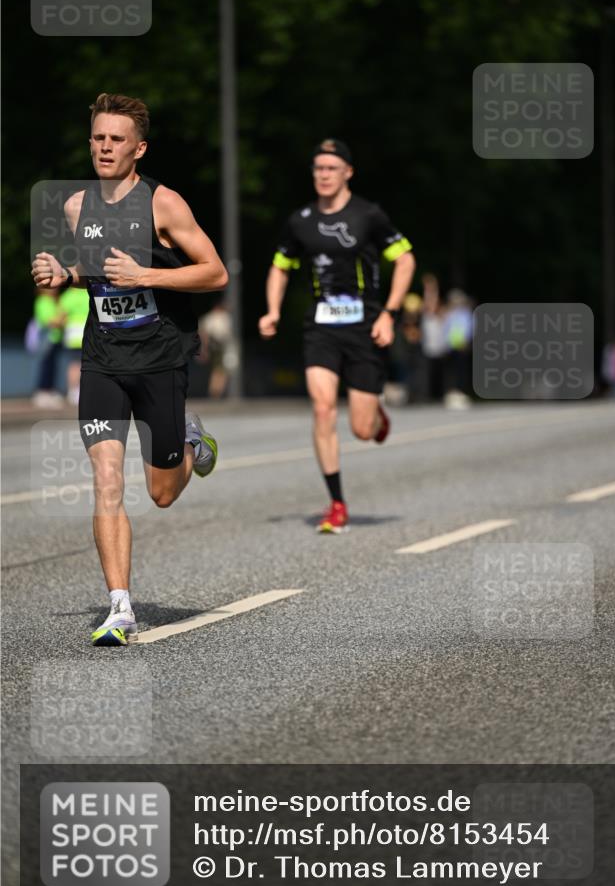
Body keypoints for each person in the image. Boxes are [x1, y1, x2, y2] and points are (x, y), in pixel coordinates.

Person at [31, 92, 228, 645]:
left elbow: (214, 273)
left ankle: (192, 441)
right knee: (107, 480)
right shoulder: (76, 206)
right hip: (102, 362)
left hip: (161, 360)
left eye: (116, 139)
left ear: (138, 148)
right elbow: (92, 269)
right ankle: (120, 607)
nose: (105, 147)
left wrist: (149, 277)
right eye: (98, 137)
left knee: (162, 493)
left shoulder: (164, 204)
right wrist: (62, 274)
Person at [258, 138, 415, 533]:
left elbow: (405, 259)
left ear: (348, 172)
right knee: (323, 408)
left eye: (331, 168)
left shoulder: (369, 215)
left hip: (365, 326)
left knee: (362, 431)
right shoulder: (301, 220)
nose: (324, 175)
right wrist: (273, 310)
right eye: (318, 169)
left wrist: (390, 314)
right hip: (321, 327)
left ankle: (374, 415)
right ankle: (337, 504)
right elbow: (280, 266)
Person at [28, 288, 64, 408]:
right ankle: (42, 392)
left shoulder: (54, 301)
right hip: (46, 340)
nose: (54, 289)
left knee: (52, 366)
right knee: (45, 365)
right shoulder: (43, 301)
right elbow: (49, 321)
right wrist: (61, 320)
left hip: (55, 339)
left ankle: (49, 390)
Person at [59, 283, 89, 405]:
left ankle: (73, 392)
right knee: (88, 364)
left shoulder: (68, 296)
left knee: (74, 364)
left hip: (72, 334)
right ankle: (85, 390)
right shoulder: (89, 293)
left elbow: (60, 317)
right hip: (88, 333)